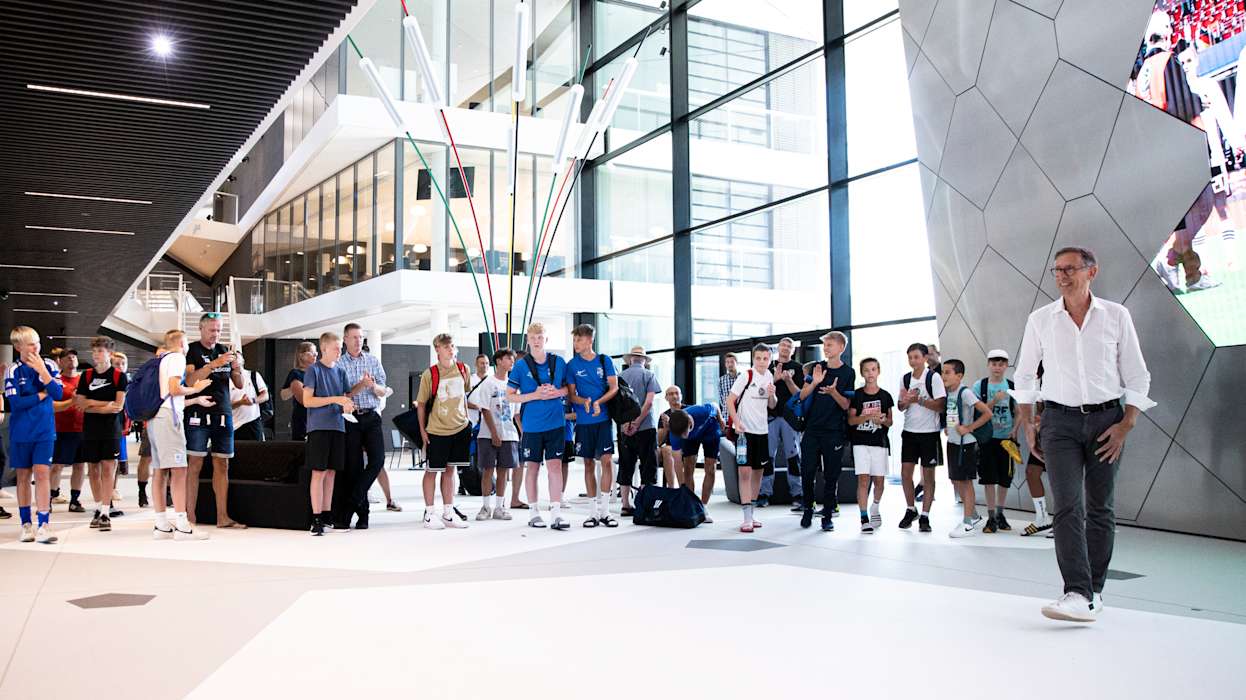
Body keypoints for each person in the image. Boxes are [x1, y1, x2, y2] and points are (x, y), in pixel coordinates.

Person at [1014, 247, 1153, 623]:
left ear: (1092, 272)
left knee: (1100, 506)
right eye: (1057, 270)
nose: (1062, 276)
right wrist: (1028, 422)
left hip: (1108, 420)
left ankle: (1094, 589)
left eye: (1070, 269)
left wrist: (1126, 424)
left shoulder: (1116, 316)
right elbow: (1024, 374)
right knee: (1067, 506)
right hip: (1058, 422)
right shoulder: (1040, 319)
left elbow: (1137, 374)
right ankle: (1076, 591)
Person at [148, 330, 213, 541]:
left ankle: (161, 524)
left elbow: (168, 396)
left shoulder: (161, 360)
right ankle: (183, 525)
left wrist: (195, 400)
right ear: (182, 344)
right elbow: (175, 389)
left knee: (160, 471)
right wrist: (195, 388)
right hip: (169, 419)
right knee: (179, 470)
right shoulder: (177, 358)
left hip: (156, 417)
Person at [184, 313, 245, 528]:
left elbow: (239, 384)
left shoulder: (224, 350)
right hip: (198, 413)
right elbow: (190, 381)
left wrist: (237, 367)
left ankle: (222, 517)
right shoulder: (191, 350)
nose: (215, 334)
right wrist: (213, 365)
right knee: (195, 463)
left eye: (218, 330)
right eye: (212, 330)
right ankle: (189, 517)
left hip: (223, 413)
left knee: (222, 463)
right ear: (201, 329)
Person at [507, 322, 570, 530]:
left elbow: (569, 389)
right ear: (528, 340)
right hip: (532, 425)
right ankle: (534, 512)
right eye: (533, 337)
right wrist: (534, 395)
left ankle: (556, 513)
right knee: (532, 467)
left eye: (540, 337)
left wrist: (556, 392)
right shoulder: (520, 366)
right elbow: (510, 396)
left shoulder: (559, 362)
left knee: (555, 466)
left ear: (546, 339)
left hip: (556, 423)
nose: (536, 341)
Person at [5, 326, 64, 543]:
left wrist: (43, 373)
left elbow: (58, 393)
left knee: (42, 473)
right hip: (21, 432)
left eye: (37, 342)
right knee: (23, 476)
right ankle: (25, 524)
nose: (36, 347)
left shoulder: (49, 365)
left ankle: (44, 524)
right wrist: (41, 395)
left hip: (44, 431)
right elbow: (16, 404)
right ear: (18, 347)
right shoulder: (13, 370)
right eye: (30, 344)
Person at [797, 331, 854, 530]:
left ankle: (828, 515)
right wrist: (815, 382)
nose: (826, 348)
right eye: (825, 345)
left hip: (834, 431)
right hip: (812, 430)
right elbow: (802, 396)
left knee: (831, 475)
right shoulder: (817, 367)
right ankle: (808, 510)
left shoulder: (848, 373)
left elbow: (846, 405)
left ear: (841, 347)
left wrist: (833, 392)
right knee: (807, 472)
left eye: (830, 344)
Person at [565, 324, 619, 527]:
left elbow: (614, 387)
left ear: (589, 340)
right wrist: (584, 401)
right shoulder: (572, 365)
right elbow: (571, 395)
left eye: (578, 340)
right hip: (583, 422)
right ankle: (593, 512)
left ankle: (606, 511)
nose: (575, 344)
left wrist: (598, 402)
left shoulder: (605, 360)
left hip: (603, 420)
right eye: (574, 340)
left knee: (606, 461)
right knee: (588, 464)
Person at [335, 323, 388, 530]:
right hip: (352, 419)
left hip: (372, 416)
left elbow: (383, 391)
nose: (358, 341)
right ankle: (363, 515)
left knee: (378, 460)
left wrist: (373, 386)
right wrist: (361, 385)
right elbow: (343, 395)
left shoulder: (373, 361)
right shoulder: (339, 364)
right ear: (345, 339)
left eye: (360, 337)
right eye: (354, 337)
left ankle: (350, 504)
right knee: (354, 467)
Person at [416, 333, 471, 530]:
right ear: (437, 349)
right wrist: (423, 431)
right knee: (431, 470)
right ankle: (430, 514)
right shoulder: (430, 374)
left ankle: (448, 513)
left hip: (460, 427)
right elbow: (421, 404)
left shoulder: (464, 369)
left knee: (450, 470)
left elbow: (464, 396)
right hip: (437, 429)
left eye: (452, 346)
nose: (450, 349)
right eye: (445, 346)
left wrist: (467, 419)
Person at [301, 332, 354, 536]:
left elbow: (344, 399)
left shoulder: (340, 372)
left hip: (338, 426)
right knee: (319, 472)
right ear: (324, 349)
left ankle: (326, 515)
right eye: (336, 348)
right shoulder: (313, 370)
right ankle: (315, 519)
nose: (339, 351)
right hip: (319, 427)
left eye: (340, 348)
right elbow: (307, 401)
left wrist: (347, 405)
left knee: (331, 472)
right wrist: (335, 399)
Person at [76, 336, 128, 532]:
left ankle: (106, 511)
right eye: (94, 351)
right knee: (93, 470)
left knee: (108, 469)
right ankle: (98, 508)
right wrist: (103, 406)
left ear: (109, 353)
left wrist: (92, 404)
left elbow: (118, 406)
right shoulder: (87, 376)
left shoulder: (118, 376)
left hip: (111, 430)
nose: (96, 354)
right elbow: (81, 403)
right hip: (90, 429)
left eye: (100, 351)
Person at [726, 343, 777, 533]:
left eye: (765, 358)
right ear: (753, 359)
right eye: (758, 358)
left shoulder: (769, 376)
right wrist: (737, 422)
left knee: (758, 473)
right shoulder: (746, 376)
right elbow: (730, 400)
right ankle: (746, 518)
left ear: (770, 360)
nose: (762, 362)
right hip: (744, 433)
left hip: (762, 432)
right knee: (745, 472)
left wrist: (772, 395)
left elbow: (772, 405)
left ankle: (752, 514)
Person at [897, 342, 946, 533]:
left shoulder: (933, 377)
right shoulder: (905, 378)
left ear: (925, 358)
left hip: (929, 433)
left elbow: (940, 406)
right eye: (910, 357)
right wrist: (906, 401)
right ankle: (911, 509)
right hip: (909, 432)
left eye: (916, 357)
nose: (913, 361)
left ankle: (925, 515)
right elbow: (900, 406)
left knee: (928, 476)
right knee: (905, 473)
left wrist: (919, 400)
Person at [942, 359, 992, 539]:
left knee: (965, 481)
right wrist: (949, 427)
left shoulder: (966, 393)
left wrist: (969, 428)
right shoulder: (950, 392)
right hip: (953, 442)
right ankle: (974, 515)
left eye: (947, 372)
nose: (943, 376)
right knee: (955, 480)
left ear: (959, 376)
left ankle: (968, 523)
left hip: (966, 444)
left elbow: (987, 413)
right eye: (943, 372)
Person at [471, 348, 520, 521]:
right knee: (488, 470)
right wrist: (494, 434)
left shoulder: (514, 386)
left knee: (503, 471)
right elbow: (485, 409)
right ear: (499, 361)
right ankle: (485, 507)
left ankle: (499, 507)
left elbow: (516, 414)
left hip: (509, 435)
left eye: (513, 359)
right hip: (487, 435)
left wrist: (522, 432)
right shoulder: (488, 383)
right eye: (508, 358)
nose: (512, 361)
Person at [847, 357, 892, 534]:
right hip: (860, 442)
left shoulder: (885, 396)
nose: (870, 373)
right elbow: (851, 420)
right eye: (866, 370)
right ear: (862, 373)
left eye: (873, 369)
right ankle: (864, 517)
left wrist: (882, 420)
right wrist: (867, 416)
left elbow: (890, 422)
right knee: (863, 479)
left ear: (878, 371)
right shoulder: (857, 395)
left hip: (879, 443)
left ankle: (875, 507)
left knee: (879, 481)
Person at [976, 349, 1018, 533]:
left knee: (1004, 478)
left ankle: (1000, 513)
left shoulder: (1012, 386)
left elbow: (1019, 412)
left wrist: (1015, 430)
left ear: (1006, 366)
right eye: (994, 364)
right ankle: (991, 516)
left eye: (1001, 364)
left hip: (1007, 439)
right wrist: (994, 401)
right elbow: (977, 411)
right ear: (988, 365)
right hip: (987, 438)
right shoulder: (980, 386)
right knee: (988, 478)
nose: (997, 368)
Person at [617, 346, 662, 515]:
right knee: (648, 465)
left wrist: (627, 423)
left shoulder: (620, 377)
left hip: (624, 429)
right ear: (644, 360)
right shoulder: (649, 375)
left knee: (625, 464)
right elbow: (649, 402)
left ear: (630, 360)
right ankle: (645, 504)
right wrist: (637, 423)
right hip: (646, 427)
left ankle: (625, 505)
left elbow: (616, 404)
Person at [759, 337, 803, 508]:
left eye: (789, 346)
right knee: (768, 457)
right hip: (770, 417)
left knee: (793, 457)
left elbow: (800, 395)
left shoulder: (798, 368)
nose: (785, 348)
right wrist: (775, 379)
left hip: (789, 418)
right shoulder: (768, 366)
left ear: (793, 350)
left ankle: (797, 493)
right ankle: (764, 493)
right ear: (778, 348)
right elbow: (760, 390)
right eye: (783, 345)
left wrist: (788, 380)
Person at [666, 402, 722, 524]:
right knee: (688, 468)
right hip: (692, 438)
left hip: (710, 430)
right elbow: (677, 463)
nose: (682, 437)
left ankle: (703, 507)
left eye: (683, 433)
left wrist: (721, 422)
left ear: (689, 423)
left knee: (710, 468)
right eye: (680, 435)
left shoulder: (702, 411)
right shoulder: (675, 433)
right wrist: (682, 488)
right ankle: (691, 506)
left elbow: (715, 406)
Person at [48, 347, 85, 513]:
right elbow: (51, 405)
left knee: (79, 465)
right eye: (68, 358)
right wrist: (71, 402)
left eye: (74, 357)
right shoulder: (56, 381)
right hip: (61, 429)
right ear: (60, 362)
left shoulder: (84, 380)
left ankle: (75, 500)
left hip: (82, 429)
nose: (71, 360)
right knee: (57, 466)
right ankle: (48, 499)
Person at [280, 342, 316, 441]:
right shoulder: (296, 373)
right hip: (303, 419)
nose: (315, 355)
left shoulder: (316, 373)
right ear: (302, 356)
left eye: (316, 353)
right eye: (312, 353)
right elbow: (285, 395)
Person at [230, 354, 269, 442]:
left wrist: (253, 400)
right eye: (233, 357)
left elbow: (265, 395)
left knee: (257, 449)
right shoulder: (226, 380)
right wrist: (240, 402)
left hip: (253, 421)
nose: (236, 359)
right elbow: (226, 405)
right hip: (234, 425)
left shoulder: (253, 375)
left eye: (237, 356)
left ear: (243, 360)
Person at [657, 385, 684, 490]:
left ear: (681, 396)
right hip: (670, 447)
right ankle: (648, 486)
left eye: (677, 393)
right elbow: (659, 442)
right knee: (656, 450)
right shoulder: (664, 415)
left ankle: (674, 489)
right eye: (671, 394)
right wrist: (666, 428)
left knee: (667, 449)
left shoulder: (687, 410)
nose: (674, 396)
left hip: (686, 444)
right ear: (666, 398)